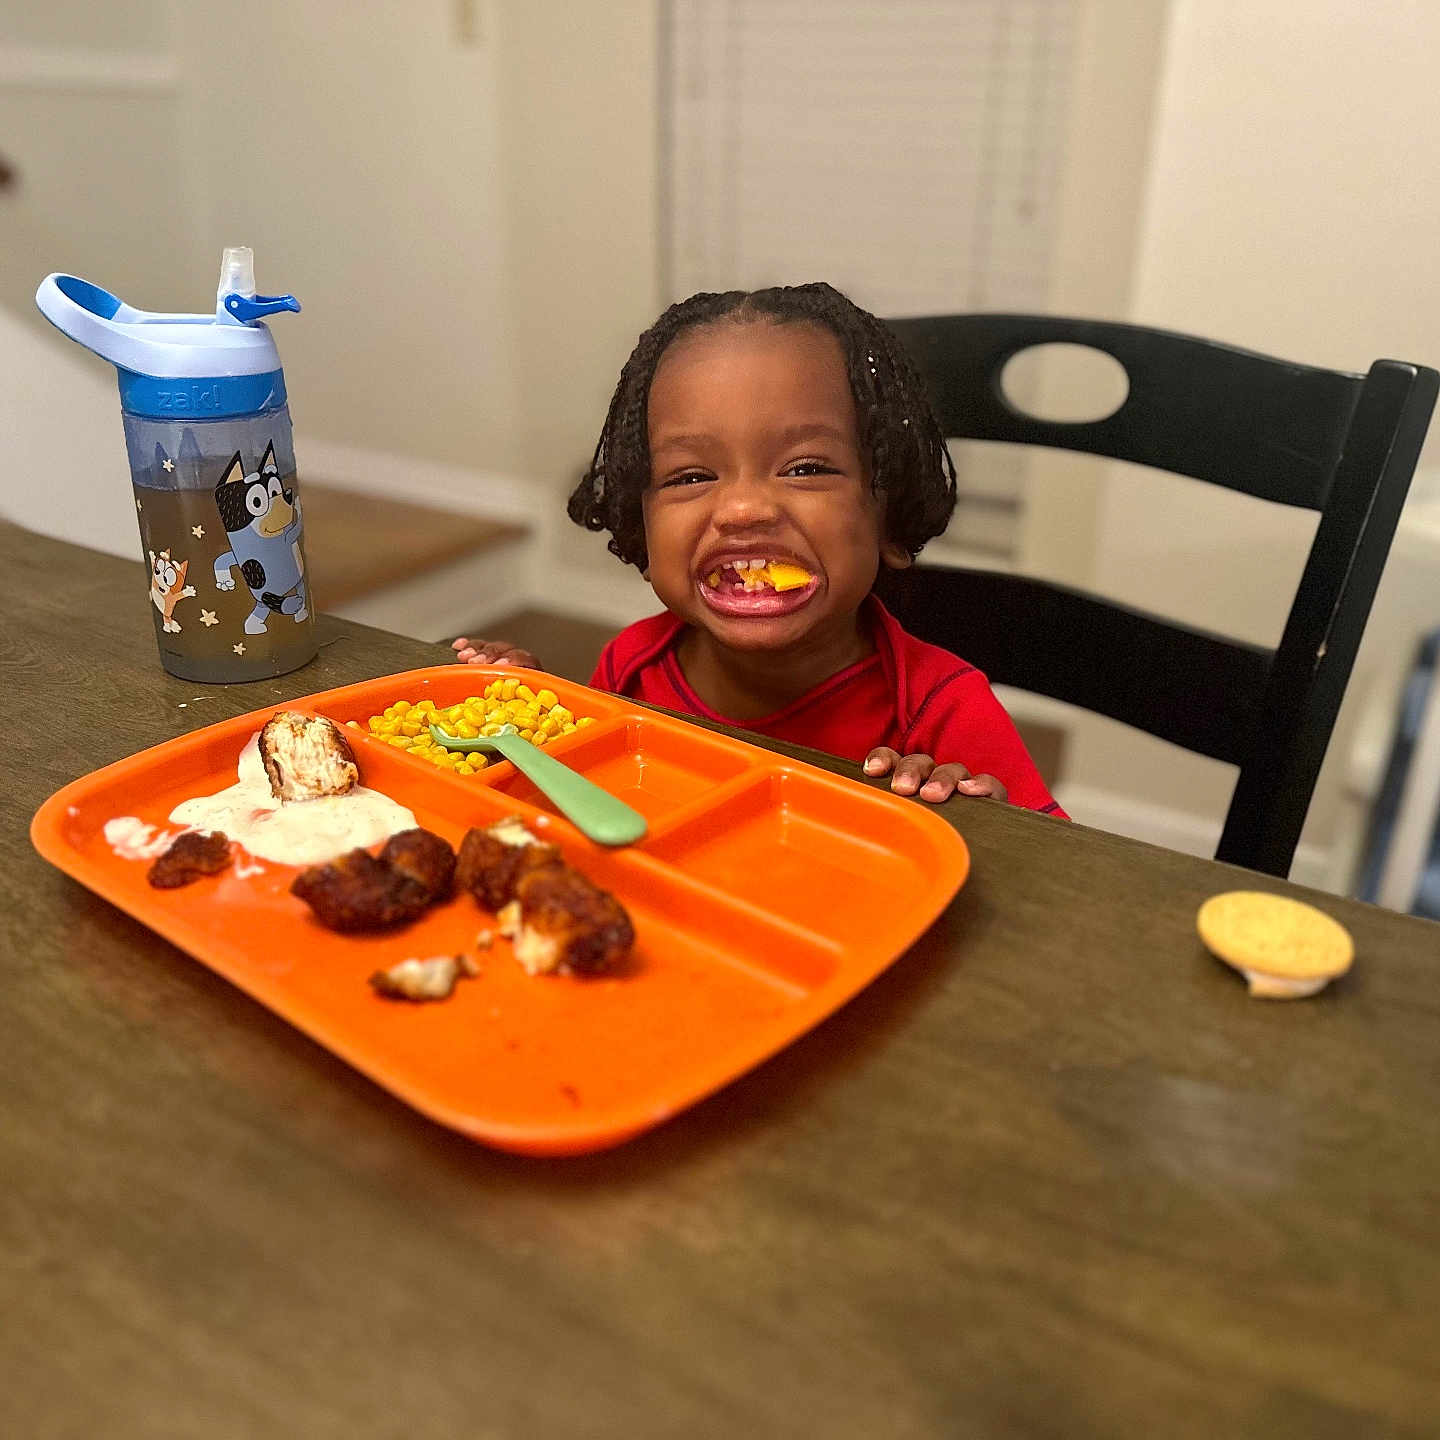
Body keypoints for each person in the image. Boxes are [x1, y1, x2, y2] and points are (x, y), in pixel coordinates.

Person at [454, 283, 1065, 816]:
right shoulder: (629, 668)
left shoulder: (944, 711)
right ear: (641, 530)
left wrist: (986, 829)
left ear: (889, 516)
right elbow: (599, 806)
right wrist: (535, 728)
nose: (745, 509)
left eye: (805, 468)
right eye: (690, 477)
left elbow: (1061, 884)